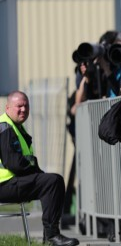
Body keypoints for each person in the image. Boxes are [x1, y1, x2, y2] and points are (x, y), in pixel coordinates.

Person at [0, 91, 79, 246]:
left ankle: (49, 237)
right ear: (8, 108)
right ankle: (52, 236)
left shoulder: (15, 127)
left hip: (11, 182)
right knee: (52, 182)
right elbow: (14, 163)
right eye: (19, 106)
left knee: (52, 182)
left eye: (26, 106)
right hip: (5, 185)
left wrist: (37, 173)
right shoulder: (5, 129)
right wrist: (36, 173)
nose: (23, 109)